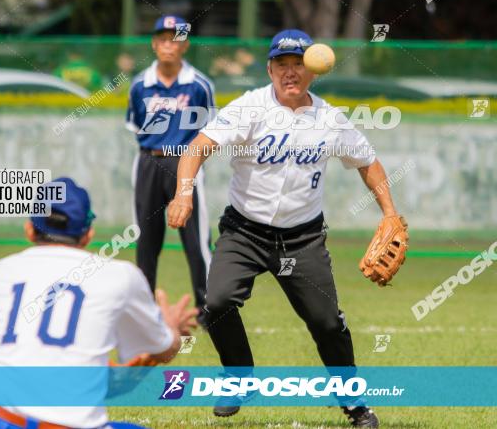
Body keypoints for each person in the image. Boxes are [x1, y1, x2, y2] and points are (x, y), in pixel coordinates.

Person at [167, 29, 405, 428]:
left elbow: (368, 162)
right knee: (218, 300)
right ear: (269, 69)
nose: (290, 72)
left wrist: (390, 212)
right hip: (244, 233)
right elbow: (197, 148)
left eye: (298, 64)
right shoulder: (249, 108)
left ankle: (354, 404)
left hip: (302, 240)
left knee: (327, 322)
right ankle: (238, 378)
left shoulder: (329, 118)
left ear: (312, 71)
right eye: (282, 65)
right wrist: (184, 194)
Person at [0, 177, 198, 429]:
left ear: (30, 229)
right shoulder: (122, 276)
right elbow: (163, 348)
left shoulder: (0, 272)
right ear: (88, 234)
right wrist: (171, 327)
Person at [126, 15, 215, 326]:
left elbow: (210, 131)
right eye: (162, 38)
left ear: (185, 44)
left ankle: (210, 311)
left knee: (197, 241)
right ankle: (144, 310)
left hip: (185, 163)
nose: (168, 44)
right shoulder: (140, 85)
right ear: (154, 43)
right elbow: (135, 124)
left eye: (175, 38)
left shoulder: (200, 85)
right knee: (147, 241)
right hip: (149, 161)